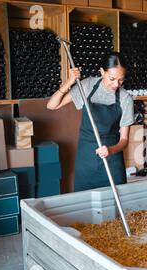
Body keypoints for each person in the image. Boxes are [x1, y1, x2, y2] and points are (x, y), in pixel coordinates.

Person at [47, 52, 134, 192]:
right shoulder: (87, 86)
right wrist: (69, 82)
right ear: (102, 72)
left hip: (112, 160)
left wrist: (110, 150)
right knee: (85, 204)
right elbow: (52, 105)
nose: (116, 84)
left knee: (116, 206)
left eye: (121, 80)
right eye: (112, 78)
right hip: (86, 159)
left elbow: (124, 140)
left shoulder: (125, 98)